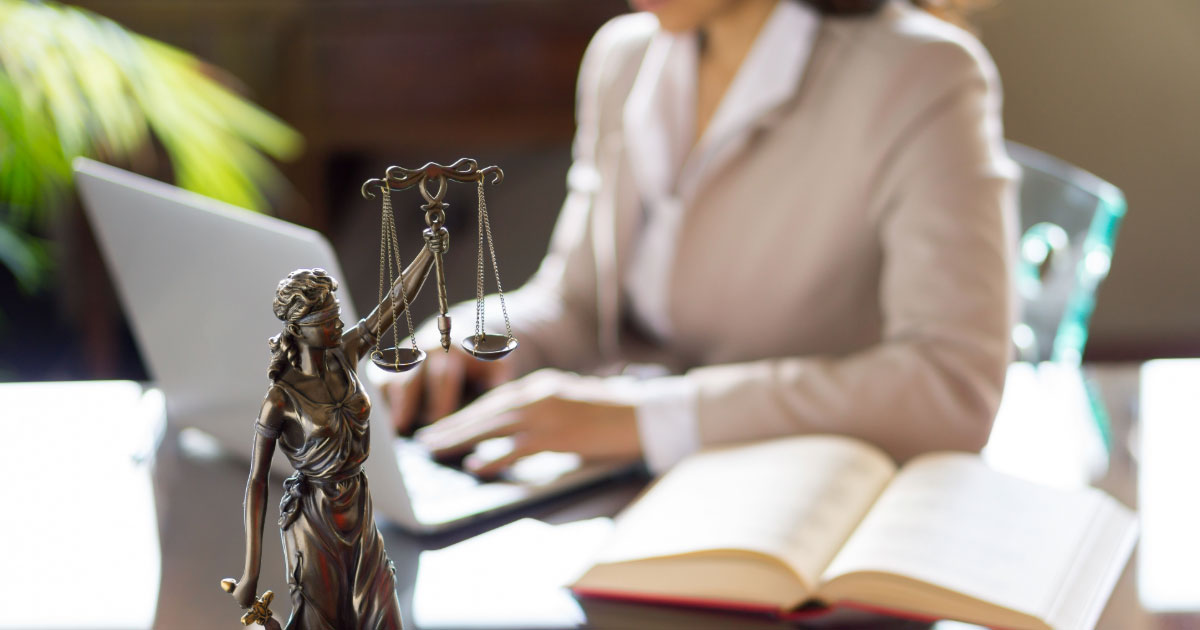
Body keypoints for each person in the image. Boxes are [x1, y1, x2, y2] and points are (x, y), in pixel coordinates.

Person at [390, 0, 1016, 478]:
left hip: (805, 512)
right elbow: (575, 301)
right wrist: (474, 339)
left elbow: (952, 387)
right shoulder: (625, 56)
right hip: (632, 497)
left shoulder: (923, 73)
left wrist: (647, 419)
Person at [227, 251, 437, 628]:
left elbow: (394, 300)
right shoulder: (280, 399)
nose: (338, 323)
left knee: (384, 612)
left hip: (359, 507)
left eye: (337, 313)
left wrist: (430, 250)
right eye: (327, 320)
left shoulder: (347, 354)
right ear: (300, 328)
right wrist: (250, 573)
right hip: (313, 518)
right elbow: (257, 481)